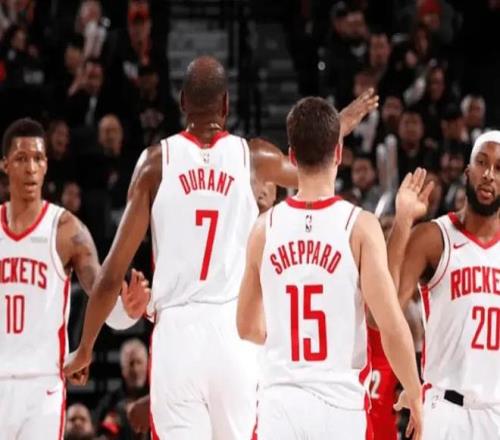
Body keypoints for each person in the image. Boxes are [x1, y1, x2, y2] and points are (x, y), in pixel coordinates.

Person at [64, 56, 378, 439]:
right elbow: (312, 163)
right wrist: (341, 122)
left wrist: (85, 347)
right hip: (234, 333)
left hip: (178, 332)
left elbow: (113, 272)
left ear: (182, 102)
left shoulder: (154, 164)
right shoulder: (254, 157)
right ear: (226, 105)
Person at [236, 96, 422, 439]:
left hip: (280, 405)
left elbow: (246, 326)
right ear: (338, 153)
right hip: (339, 407)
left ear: (291, 157)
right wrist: (414, 392)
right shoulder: (360, 226)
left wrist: (286, 336)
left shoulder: (263, 229)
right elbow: (391, 325)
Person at [0, 118, 148, 439]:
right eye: (21, 158)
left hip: (42, 384)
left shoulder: (67, 230)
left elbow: (98, 285)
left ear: (46, 165)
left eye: (38, 158)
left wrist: (124, 312)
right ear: (5, 164)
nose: (30, 168)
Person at [389, 132, 500, 439]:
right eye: (482, 163)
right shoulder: (433, 238)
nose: (489, 175)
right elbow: (383, 311)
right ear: (468, 171)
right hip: (445, 410)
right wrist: (402, 222)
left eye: (499, 168)